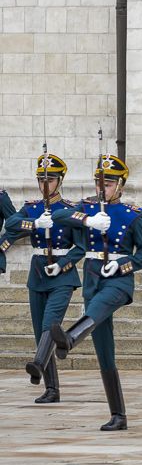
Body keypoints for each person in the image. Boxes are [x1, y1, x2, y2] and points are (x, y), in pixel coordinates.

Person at [50, 154, 142, 431]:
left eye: (108, 184)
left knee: (97, 308)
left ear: (120, 186)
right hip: (93, 278)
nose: (103, 188)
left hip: (117, 282)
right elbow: (59, 214)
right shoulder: (87, 208)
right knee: (105, 351)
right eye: (100, 183)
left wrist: (120, 264)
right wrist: (88, 221)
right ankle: (118, 415)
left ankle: (70, 338)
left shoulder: (132, 216)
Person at [2, 153, 84, 404]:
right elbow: (13, 223)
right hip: (37, 273)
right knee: (41, 332)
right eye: (41, 179)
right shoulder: (32, 208)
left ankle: (38, 363)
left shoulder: (71, 210)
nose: (44, 184)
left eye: (49, 179)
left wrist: (61, 265)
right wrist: (35, 223)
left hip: (62, 276)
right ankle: (52, 389)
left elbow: (79, 248)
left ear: (60, 181)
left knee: (50, 324)